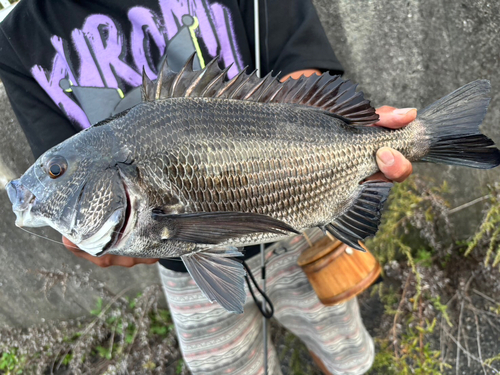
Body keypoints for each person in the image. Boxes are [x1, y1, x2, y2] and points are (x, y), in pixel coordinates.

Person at [0, 0, 413, 373]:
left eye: (53, 171)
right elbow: (69, 159)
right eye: (55, 171)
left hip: (305, 225)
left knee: (346, 356)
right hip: (185, 269)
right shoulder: (15, 37)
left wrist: (345, 152)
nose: (44, 179)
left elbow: (299, 61)